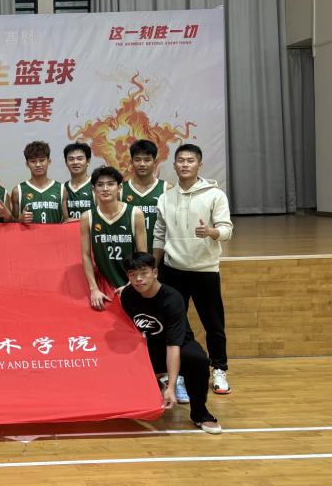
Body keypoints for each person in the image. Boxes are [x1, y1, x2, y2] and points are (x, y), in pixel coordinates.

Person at [153, 143, 234, 394]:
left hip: (205, 270)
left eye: (190, 160)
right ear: (174, 165)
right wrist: (154, 266)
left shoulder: (215, 195)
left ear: (200, 165)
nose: (185, 164)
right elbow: (159, 235)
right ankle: (177, 374)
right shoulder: (165, 197)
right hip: (173, 270)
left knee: (213, 324)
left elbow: (227, 230)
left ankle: (219, 369)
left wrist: (211, 232)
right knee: (175, 326)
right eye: (180, 160)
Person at [113, 252, 221, 434]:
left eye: (144, 273)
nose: (138, 279)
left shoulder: (172, 299)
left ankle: (200, 413)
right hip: (150, 346)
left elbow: (173, 346)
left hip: (178, 344)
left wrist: (171, 387)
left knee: (198, 360)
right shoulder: (128, 296)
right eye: (133, 274)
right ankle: (143, 395)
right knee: (119, 354)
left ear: (155, 273)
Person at [81, 166, 147, 310]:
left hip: (133, 283)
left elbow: (142, 255)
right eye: (100, 185)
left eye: (110, 184)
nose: (105, 189)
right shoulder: (87, 217)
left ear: (119, 188)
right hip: (104, 285)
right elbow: (85, 255)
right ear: (93, 189)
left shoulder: (135, 214)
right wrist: (94, 289)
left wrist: (131, 285)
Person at [9, 141, 67, 224]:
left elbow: (66, 221)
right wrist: (20, 220)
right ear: (27, 164)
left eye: (42, 160)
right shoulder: (18, 191)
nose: (38, 165)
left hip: (55, 233)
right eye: (33, 161)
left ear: (49, 161)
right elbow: (13, 224)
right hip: (28, 233)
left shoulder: (61, 189)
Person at [123, 139, 166, 238]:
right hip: (129, 247)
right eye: (137, 160)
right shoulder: (120, 190)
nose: (142, 164)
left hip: (158, 246)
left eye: (147, 160)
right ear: (131, 162)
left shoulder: (166, 189)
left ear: (155, 162)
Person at [64, 142, 95, 221]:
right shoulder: (62, 188)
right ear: (66, 162)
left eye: (80, 159)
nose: (75, 162)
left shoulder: (96, 186)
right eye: (71, 159)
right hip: (69, 229)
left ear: (88, 161)